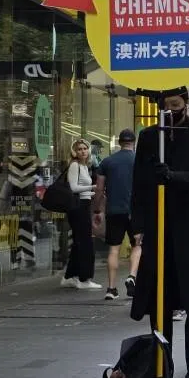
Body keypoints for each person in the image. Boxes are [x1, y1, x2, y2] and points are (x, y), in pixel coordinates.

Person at [130, 87, 189, 378]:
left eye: (176, 105)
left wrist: (172, 177)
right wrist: (138, 225)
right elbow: (139, 184)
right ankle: (160, 365)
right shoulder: (149, 137)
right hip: (159, 226)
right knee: (159, 300)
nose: (171, 110)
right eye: (166, 106)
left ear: (187, 104)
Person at [93, 129, 140, 300]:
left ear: (119, 143)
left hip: (114, 210)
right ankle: (132, 276)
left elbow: (99, 189)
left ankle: (111, 289)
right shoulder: (140, 161)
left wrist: (97, 210)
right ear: (134, 142)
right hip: (136, 211)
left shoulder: (107, 162)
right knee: (137, 245)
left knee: (114, 249)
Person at [60, 139, 101, 290]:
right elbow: (74, 188)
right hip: (78, 208)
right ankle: (84, 279)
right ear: (74, 152)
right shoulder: (75, 165)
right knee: (85, 243)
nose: (83, 151)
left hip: (83, 205)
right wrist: (93, 187)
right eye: (79, 149)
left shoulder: (85, 166)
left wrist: (92, 192)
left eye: (85, 148)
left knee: (79, 243)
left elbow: (82, 190)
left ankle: (69, 276)